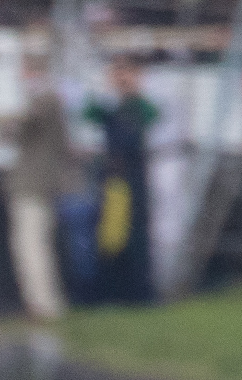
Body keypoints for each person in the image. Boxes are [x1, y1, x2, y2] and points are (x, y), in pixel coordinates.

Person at [82, 56, 161, 306]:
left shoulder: (139, 106)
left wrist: (132, 92)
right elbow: (88, 114)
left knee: (136, 233)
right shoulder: (109, 106)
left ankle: (138, 290)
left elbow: (151, 117)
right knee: (111, 233)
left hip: (133, 177)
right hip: (113, 178)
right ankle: (112, 289)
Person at [4, 61, 78, 320]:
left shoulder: (45, 100)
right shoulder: (49, 100)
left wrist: (2, 118)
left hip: (34, 184)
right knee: (35, 243)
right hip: (38, 184)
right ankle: (44, 303)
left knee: (31, 244)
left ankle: (43, 305)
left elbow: (21, 125)